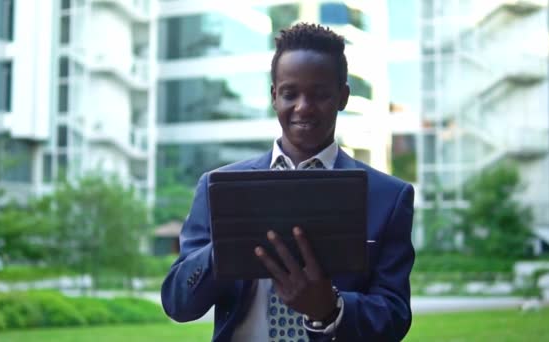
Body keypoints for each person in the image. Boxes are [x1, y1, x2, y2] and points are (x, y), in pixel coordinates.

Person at [161, 23, 415, 342]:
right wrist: (222, 251)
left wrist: (331, 309)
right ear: (273, 96)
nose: (303, 107)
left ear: (343, 97)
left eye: (320, 94)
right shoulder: (218, 187)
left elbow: (394, 317)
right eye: (290, 93)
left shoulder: (388, 197)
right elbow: (177, 304)